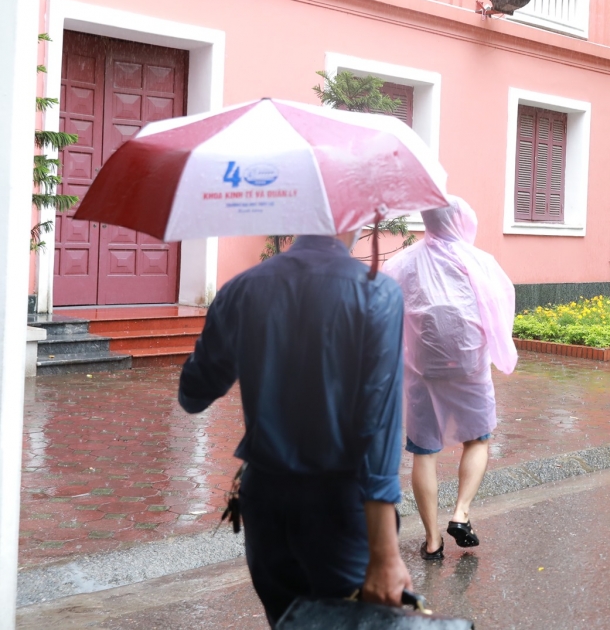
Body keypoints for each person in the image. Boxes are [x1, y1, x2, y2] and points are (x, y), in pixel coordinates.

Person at [178, 231, 411, 626]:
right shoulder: (376, 292)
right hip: (340, 507)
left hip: (266, 502)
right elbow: (379, 425)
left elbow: (194, 394)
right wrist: (386, 554)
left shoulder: (242, 289)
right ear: (351, 218)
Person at [382, 197, 517, 561]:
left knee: (423, 451)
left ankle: (432, 541)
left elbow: (384, 310)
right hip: (470, 366)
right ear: (460, 220)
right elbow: (501, 305)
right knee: (478, 438)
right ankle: (461, 512)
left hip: (422, 370)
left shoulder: (402, 263)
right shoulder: (480, 261)